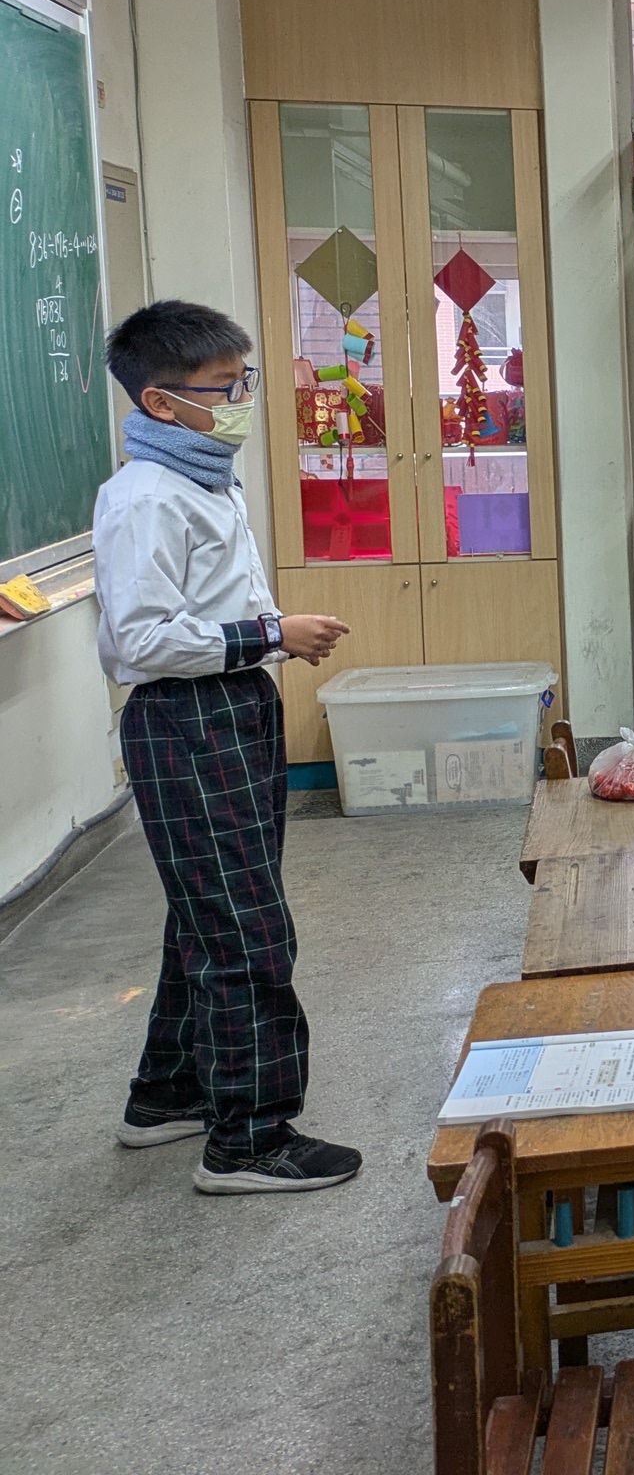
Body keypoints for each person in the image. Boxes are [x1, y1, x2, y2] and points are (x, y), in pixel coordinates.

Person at [94, 301, 361, 1193]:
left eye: (244, 380)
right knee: (247, 933)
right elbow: (140, 641)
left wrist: (266, 639)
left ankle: (167, 1095)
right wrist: (271, 634)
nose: (244, 399)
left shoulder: (205, 478)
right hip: (187, 719)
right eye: (225, 387)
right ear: (162, 402)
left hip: (232, 709)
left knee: (205, 916)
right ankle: (247, 1141)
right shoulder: (145, 496)